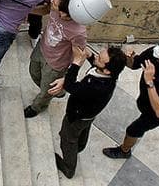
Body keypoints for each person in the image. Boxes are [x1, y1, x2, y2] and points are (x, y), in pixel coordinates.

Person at [48, 44, 127, 178]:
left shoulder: (96, 86)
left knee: (67, 138)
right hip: (89, 114)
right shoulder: (110, 74)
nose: (97, 58)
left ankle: (69, 167)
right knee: (83, 131)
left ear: (107, 70)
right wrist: (90, 56)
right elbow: (95, 64)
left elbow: (70, 86)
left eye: (100, 59)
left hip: (77, 116)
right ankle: (80, 147)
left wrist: (76, 63)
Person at [23, 0, 84, 118]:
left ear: (64, 14)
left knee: (46, 90)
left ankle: (37, 106)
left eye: (54, 4)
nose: (51, 2)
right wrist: (28, 10)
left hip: (56, 64)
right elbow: (45, 10)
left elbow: (79, 56)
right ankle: (59, 92)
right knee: (34, 73)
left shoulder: (78, 32)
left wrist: (66, 78)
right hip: (41, 49)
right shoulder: (55, 9)